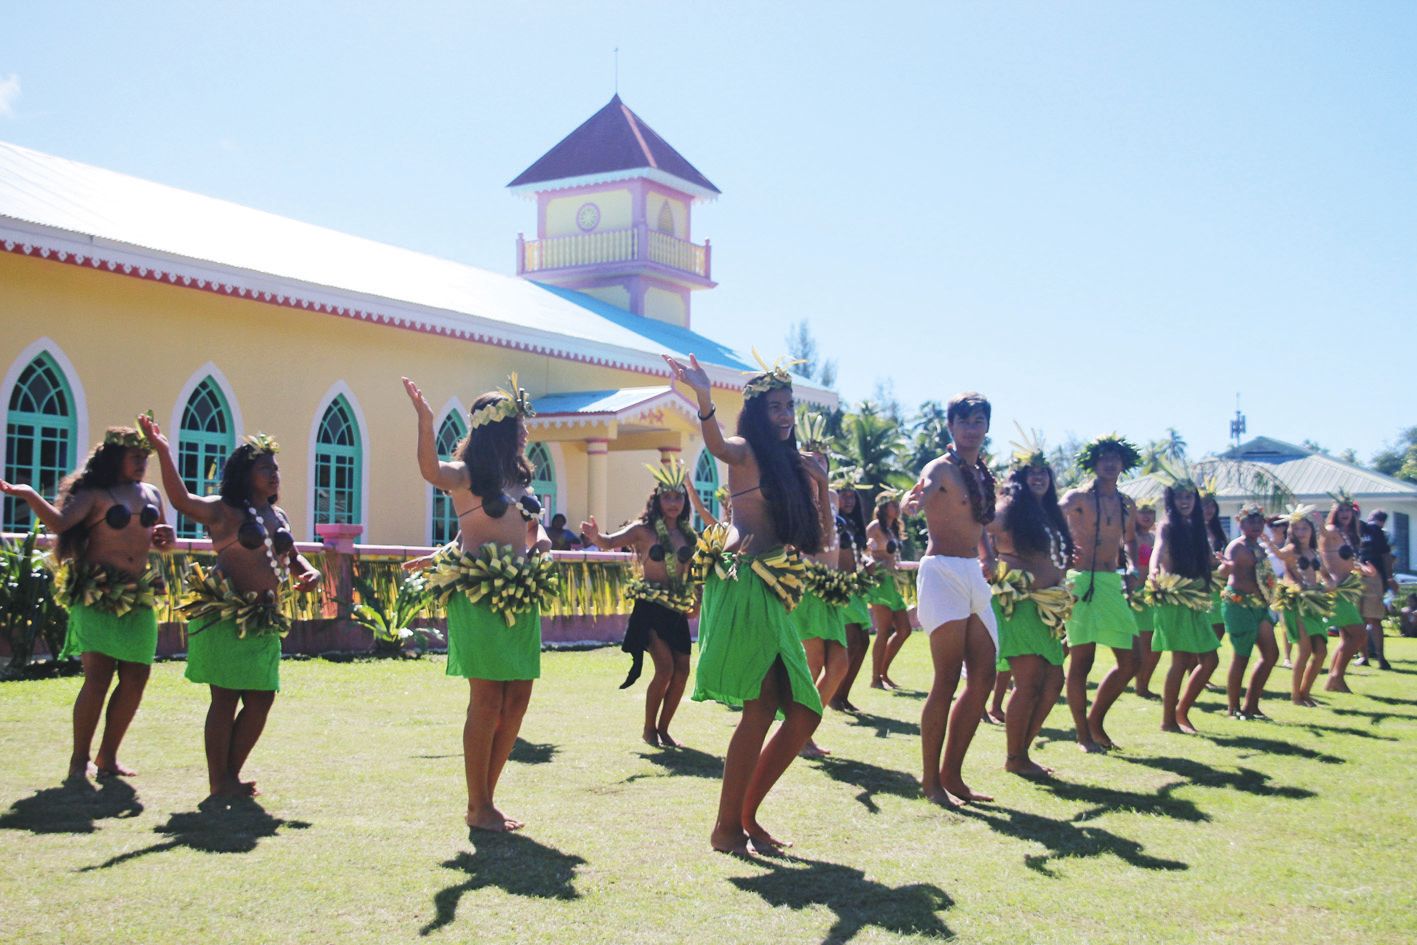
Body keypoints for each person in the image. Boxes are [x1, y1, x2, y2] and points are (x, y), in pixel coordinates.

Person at [663, 351, 826, 856]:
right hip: (744, 582)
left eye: (788, 406)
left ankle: (743, 819)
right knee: (764, 710)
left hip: (772, 591)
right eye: (774, 407)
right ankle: (728, 827)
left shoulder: (795, 466)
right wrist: (705, 397)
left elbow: (822, 542)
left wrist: (822, 483)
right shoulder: (745, 450)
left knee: (801, 712)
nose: (784, 415)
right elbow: (715, 443)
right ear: (757, 412)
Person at [141, 417, 321, 798]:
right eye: (264, 469)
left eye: (275, 468)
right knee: (224, 698)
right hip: (226, 617)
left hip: (264, 619)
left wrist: (308, 572)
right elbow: (181, 501)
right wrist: (163, 451)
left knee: (261, 698)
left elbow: (292, 557)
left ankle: (231, 775)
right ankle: (218, 781)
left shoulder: (279, 516)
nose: (273, 475)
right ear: (245, 475)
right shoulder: (224, 512)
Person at [403, 375, 553, 832]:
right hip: (479, 596)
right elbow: (431, 472)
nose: (525, 432)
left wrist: (542, 540)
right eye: (518, 425)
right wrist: (427, 423)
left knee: (519, 699)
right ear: (497, 430)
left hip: (520, 594)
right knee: (487, 698)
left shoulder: (518, 478)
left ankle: (485, 800)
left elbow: (529, 528)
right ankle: (478, 803)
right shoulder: (466, 476)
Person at [1, 423, 173, 781]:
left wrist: (164, 538)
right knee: (98, 678)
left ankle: (108, 756)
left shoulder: (152, 494)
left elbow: (162, 542)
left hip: (136, 596)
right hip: (96, 593)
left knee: (137, 676)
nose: (142, 462)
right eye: (135, 456)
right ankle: (80, 760)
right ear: (115, 457)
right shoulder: (95, 494)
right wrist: (31, 494)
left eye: (145, 456)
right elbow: (60, 523)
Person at [903, 392, 997, 806]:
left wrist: (989, 555)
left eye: (978, 421)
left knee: (984, 676)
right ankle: (930, 781)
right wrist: (911, 503)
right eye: (964, 421)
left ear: (986, 427)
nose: (971, 428)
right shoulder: (939, 468)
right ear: (951, 427)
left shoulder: (982, 474)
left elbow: (980, 521)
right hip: (941, 571)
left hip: (973, 574)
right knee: (945, 679)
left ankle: (953, 775)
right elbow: (917, 494)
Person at [581, 460, 698, 748]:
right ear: (657, 500)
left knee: (683, 671)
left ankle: (664, 728)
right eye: (668, 496)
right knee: (666, 668)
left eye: (679, 496)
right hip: (650, 607)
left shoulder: (688, 536)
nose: (674, 502)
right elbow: (609, 542)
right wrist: (596, 536)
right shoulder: (644, 531)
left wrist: (698, 601)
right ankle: (648, 729)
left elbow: (695, 573)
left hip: (676, 609)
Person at [983, 438, 1072, 778]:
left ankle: (1022, 753)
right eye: (1031, 472)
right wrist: (987, 557)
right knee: (1030, 680)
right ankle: (1014, 757)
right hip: (1018, 604)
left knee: (1052, 681)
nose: (1038, 478)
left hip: (1046, 608)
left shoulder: (1048, 513)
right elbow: (980, 525)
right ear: (1019, 477)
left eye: (1043, 473)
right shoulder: (1008, 508)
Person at [1060, 435, 1141, 752]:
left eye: (1115, 458)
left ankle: (1095, 722)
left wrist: (1134, 567)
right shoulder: (1078, 497)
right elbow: (1052, 516)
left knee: (1133, 659)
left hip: (1110, 583)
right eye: (1104, 458)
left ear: (1123, 464)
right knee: (1082, 660)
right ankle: (1083, 734)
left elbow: (1131, 540)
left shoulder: (1126, 503)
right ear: (1094, 463)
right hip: (1081, 582)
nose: (1109, 463)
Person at [1148, 474, 1222, 733]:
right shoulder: (1167, 525)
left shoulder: (1197, 527)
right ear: (1171, 499)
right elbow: (1158, 549)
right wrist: (1153, 571)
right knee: (1181, 660)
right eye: (1179, 496)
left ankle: (1180, 712)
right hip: (1176, 598)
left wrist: (1222, 563)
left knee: (1210, 660)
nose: (1184, 501)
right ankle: (1169, 719)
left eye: (1189, 496)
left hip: (1196, 599)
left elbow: (1208, 561)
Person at [1220, 504, 1279, 719]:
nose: (1255, 525)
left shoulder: (1260, 547)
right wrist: (1224, 568)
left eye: (1259, 521)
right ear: (1241, 523)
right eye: (1250, 521)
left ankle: (1251, 705)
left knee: (1271, 654)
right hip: (1238, 605)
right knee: (1241, 657)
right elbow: (1224, 569)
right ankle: (1233, 707)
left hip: (1259, 606)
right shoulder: (1236, 547)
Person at [1270, 508, 1333, 707]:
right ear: (1291, 531)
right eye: (1297, 529)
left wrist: (1329, 585)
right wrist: (1266, 537)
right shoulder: (1291, 551)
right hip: (1297, 604)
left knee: (1321, 652)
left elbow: (1325, 574)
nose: (1301, 532)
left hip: (1313, 603)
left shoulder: (1314, 552)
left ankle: (1305, 692)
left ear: (1311, 531)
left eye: (1305, 528)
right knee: (1304, 651)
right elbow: (1279, 555)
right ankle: (1296, 696)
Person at [828, 484, 873, 712]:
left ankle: (843, 695)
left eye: (852, 497)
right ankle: (835, 695)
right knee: (852, 642)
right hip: (839, 586)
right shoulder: (833, 521)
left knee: (863, 642)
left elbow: (855, 554)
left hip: (855, 587)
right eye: (844, 497)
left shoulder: (854, 525)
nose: (848, 501)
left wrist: (865, 562)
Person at [1322, 492, 1368, 693]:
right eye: (1340, 510)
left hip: (1348, 590)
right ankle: (1335, 676)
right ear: (1334, 512)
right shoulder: (1332, 531)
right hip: (1338, 591)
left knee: (1347, 638)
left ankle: (1335, 679)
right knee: (1358, 636)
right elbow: (1323, 536)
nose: (1344, 513)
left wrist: (1359, 568)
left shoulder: (1347, 535)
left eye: (1348, 510)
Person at [866, 494, 912, 689]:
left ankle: (884, 672)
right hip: (880, 583)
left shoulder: (893, 528)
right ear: (884, 507)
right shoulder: (875, 527)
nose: (897, 507)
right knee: (884, 630)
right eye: (893, 504)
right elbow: (863, 552)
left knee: (904, 630)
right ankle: (876, 678)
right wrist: (875, 561)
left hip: (893, 582)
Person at [1130, 498, 1161, 698]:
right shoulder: (1129, 537)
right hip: (1136, 596)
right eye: (1143, 512)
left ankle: (1144, 684)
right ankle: (1140, 686)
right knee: (1143, 644)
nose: (1147, 516)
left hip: (1154, 596)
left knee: (1155, 645)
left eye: (1150, 512)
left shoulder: (1155, 538)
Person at [1201, 493, 1229, 642]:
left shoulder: (1218, 531)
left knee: (1219, 627)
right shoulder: (1192, 530)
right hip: (1201, 585)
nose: (1208, 509)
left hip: (1219, 586)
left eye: (1211, 505)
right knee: (1204, 632)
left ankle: (1202, 664)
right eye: (1204, 505)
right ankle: (1196, 665)